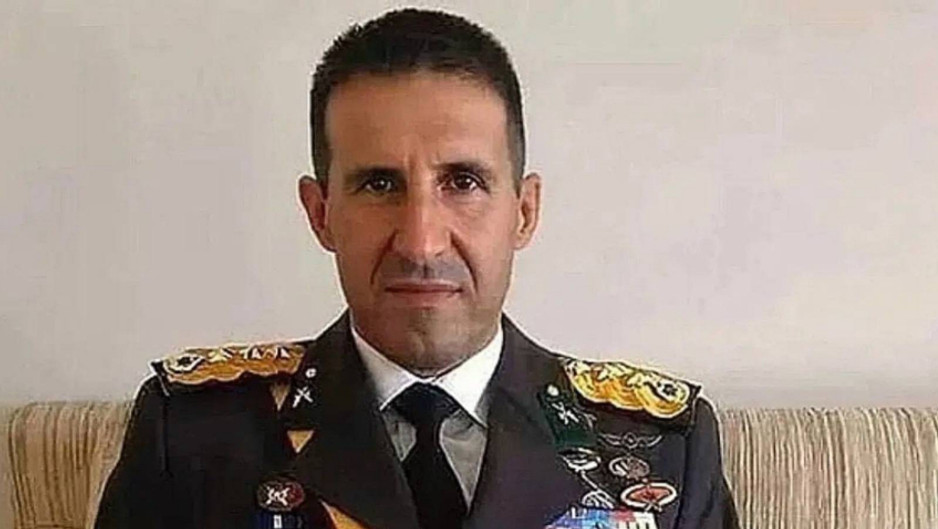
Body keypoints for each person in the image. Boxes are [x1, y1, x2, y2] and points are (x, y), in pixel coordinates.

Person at [95, 8, 739, 529]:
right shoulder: (194, 438)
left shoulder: (665, 451)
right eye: (379, 185)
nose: (422, 242)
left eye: (463, 182)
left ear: (524, 212)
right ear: (321, 214)